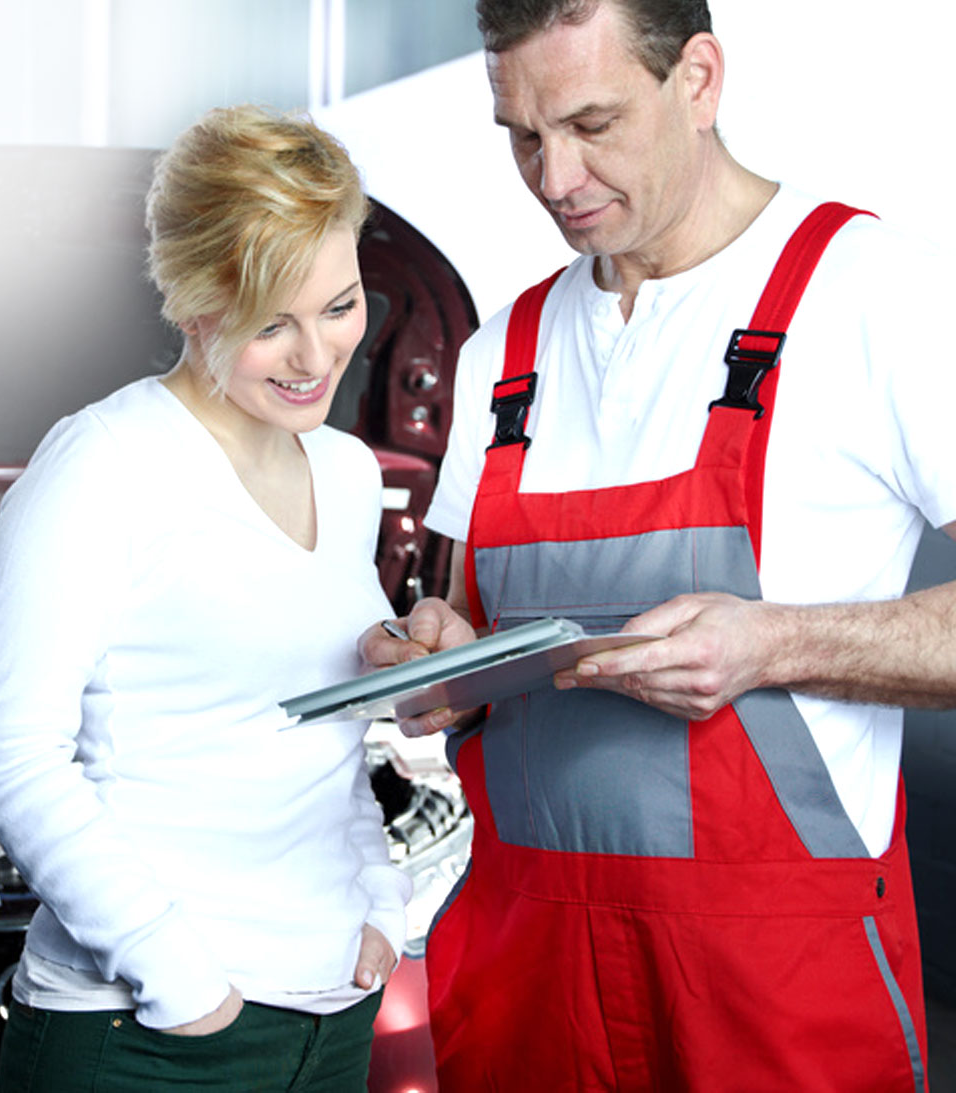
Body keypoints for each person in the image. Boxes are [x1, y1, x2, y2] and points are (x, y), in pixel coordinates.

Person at [357, 1, 956, 1089]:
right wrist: (439, 659)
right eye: (522, 136)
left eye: (592, 124)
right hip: (525, 985)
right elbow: (461, 629)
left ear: (699, 79)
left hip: (769, 995)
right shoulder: (503, 351)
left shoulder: (877, 293)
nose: (554, 177)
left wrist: (775, 645)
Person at [0, 105, 411, 1092]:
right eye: (270, 324)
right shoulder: (103, 464)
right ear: (193, 304)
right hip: (148, 1033)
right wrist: (172, 969)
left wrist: (380, 895)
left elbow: (318, 733)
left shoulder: (348, 473)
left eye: (339, 306)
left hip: (331, 1015)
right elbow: (7, 751)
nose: (316, 356)